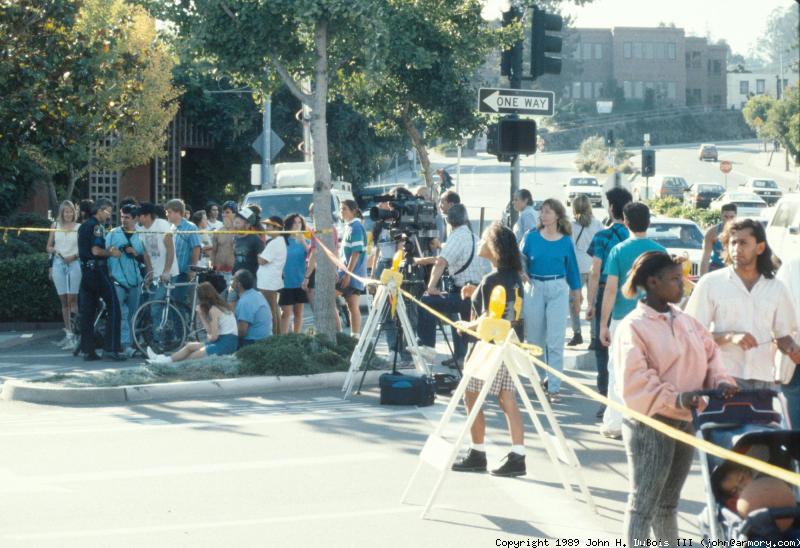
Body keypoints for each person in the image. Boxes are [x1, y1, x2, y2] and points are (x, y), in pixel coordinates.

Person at [614, 251, 737, 546]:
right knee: (643, 504)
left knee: (668, 504)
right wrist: (678, 398)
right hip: (651, 423)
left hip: (686, 419)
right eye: (674, 278)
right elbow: (636, 383)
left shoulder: (686, 320)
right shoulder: (633, 326)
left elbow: (711, 355)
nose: (682, 283)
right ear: (653, 283)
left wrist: (721, 382)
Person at [686, 219, 800, 390]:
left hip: (763, 380)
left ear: (760, 248)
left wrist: (791, 348)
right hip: (721, 379)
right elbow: (690, 334)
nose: (736, 249)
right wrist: (729, 337)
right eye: (733, 243)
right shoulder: (711, 283)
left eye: (743, 243)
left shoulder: (776, 288)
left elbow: (783, 334)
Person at [452, 222, 526, 477]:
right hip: (509, 346)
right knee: (507, 399)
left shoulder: (491, 279)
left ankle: (477, 451)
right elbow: (501, 309)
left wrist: (465, 324)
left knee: (470, 396)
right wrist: (474, 293)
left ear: (494, 248)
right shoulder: (512, 278)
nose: (480, 243)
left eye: (484, 239)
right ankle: (518, 454)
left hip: (488, 350)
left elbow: (487, 320)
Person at [598, 202, 666, 438]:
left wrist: (602, 323)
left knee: (617, 370)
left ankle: (616, 422)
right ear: (648, 222)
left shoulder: (617, 251)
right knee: (650, 370)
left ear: (625, 222)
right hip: (652, 319)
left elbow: (610, 289)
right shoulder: (659, 252)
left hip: (622, 318)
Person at [521, 198, 582, 404]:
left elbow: (572, 268)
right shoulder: (531, 237)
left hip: (558, 287)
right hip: (535, 287)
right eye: (542, 212)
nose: (543, 215)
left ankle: (554, 387)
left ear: (557, 215)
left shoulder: (565, 240)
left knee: (555, 340)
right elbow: (519, 259)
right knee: (535, 340)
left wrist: (577, 295)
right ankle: (539, 381)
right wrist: (523, 272)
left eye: (548, 212)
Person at [416, 204, 491, 367]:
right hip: (477, 293)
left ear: (449, 221)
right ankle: (463, 357)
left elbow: (441, 261)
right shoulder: (473, 236)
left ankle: (427, 346)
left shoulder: (456, 237)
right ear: (465, 218)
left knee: (427, 300)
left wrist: (431, 286)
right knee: (465, 328)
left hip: (463, 292)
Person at [585, 188, 633, 418]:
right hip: (631, 294)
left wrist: (590, 302)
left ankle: (605, 399)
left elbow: (595, 272)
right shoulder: (632, 237)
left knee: (602, 348)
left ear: (611, 209)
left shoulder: (602, 237)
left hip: (605, 292)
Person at [76, 198, 125, 361]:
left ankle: (87, 350)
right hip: (98, 270)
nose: (109, 216)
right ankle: (111, 348)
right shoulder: (96, 226)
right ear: (100, 210)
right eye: (108, 212)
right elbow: (96, 250)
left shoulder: (83, 225)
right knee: (114, 307)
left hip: (86, 272)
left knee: (87, 312)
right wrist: (111, 253)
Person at [146, 282, 238, 363]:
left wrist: (202, 317)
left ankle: (164, 363)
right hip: (225, 341)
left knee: (190, 357)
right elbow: (212, 333)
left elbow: (213, 336)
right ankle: (162, 359)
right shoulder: (221, 306)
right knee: (190, 346)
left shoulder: (214, 310)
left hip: (225, 343)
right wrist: (201, 316)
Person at [106, 204, 145, 357]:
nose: (123, 220)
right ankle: (123, 345)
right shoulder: (113, 234)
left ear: (135, 218)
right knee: (120, 314)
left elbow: (144, 258)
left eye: (127, 217)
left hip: (135, 280)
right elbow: (105, 255)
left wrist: (134, 253)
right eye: (122, 216)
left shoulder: (140, 235)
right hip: (117, 280)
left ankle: (131, 343)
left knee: (133, 314)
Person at [568, 194, 603, 346]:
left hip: (576, 268)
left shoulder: (569, 226)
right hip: (594, 267)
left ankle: (577, 334)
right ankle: (594, 337)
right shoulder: (597, 224)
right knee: (593, 303)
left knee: (574, 303)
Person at [46, 200, 81, 350]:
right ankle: (68, 334)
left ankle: (76, 334)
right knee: (63, 301)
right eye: (65, 211)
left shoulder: (79, 228)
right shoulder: (55, 226)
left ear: (74, 212)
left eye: (70, 211)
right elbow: (48, 246)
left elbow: (83, 248)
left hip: (74, 262)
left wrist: (73, 257)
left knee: (73, 300)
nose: (68, 214)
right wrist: (54, 254)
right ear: (61, 213)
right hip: (59, 263)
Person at [776, 254, 800, 428]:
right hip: (796, 364)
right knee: (794, 436)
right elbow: (776, 315)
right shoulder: (791, 268)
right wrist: (790, 347)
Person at [338, 200, 368, 336]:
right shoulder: (349, 226)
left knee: (326, 298)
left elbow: (356, 252)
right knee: (352, 306)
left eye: (344, 209)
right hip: (349, 272)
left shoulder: (356, 226)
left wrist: (348, 274)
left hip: (352, 273)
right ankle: (354, 337)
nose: (342, 212)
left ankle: (340, 333)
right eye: (341, 209)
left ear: (353, 211)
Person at [165, 199, 201, 305]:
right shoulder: (170, 228)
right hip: (171, 272)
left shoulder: (190, 227)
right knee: (170, 301)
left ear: (178, 212)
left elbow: (196, 248)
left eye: (169, 212)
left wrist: (192, 269)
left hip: (183, 271)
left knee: (178, 301)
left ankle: (182, 321)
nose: (167, 214)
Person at [279, 214, 310, 334]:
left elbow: (312, 256)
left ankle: (296, 336)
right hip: (285, 282)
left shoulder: (305, 241)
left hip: (300, 281)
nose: (297, 225)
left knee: (298, 313)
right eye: (294, 223)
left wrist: (303, 242)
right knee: (286, 313)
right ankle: (284, 338)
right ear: (288, 225)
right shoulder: (283, 240)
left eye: (299, 223)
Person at [257, 216, 287, 336]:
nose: (266, 228)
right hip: (269, 281)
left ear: (277, 227)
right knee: (274, 310)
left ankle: (275, 336)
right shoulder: (277, 242)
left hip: (268, 283)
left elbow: (262, 261)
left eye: (269, 226)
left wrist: (257, 253)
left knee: (271, 311)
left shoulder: (275, 242)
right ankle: (276, 335)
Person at [233, 269, 271, 348]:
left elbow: (242, 332)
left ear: (238, 284)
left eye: (233, 280)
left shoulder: (245, 302)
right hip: (264, 339)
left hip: (253, 342)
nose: (231, 282)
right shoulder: (256, 294)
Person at [700, 203, 737, 276]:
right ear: (721, 216)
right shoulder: (712, 233)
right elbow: (705, 258)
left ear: (736, 217)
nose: (728, 220)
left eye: (731, 217)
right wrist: (702, 279)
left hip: (734, 269)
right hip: (716, 268)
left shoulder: (740, 232)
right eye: (726, 217)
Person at [232, 205, 265, 277]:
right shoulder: (235, 238)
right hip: (236, 277)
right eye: (234, 222)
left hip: (251, 279)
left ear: (247, 225)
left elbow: (261, 261)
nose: (235, 225)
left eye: (238, 223)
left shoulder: (255, 239)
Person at [211, 201, 237, 284]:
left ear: (235, 214)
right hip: (219, 272)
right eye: (223, 212)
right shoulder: (218, 231)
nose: (224, 215)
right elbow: (213, 251)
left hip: (234, 273)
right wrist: (212, 268)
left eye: (227, 212)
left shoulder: (241, 231)